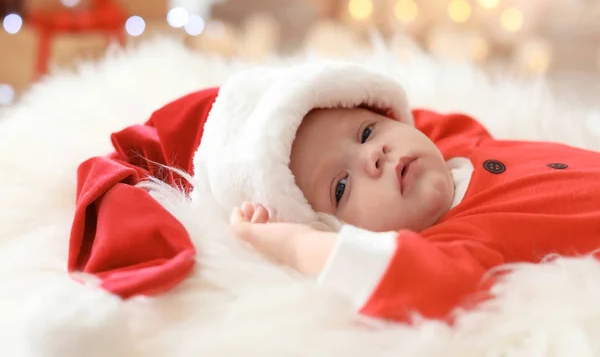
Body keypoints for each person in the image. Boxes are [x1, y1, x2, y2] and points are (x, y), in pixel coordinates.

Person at [69, 61, 600, 324]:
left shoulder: (457, 141)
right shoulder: (456, 240)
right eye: (341, 186)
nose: (374, 156)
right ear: (339, 230)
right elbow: (413, 283)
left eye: (368, 131)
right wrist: (293, 243)